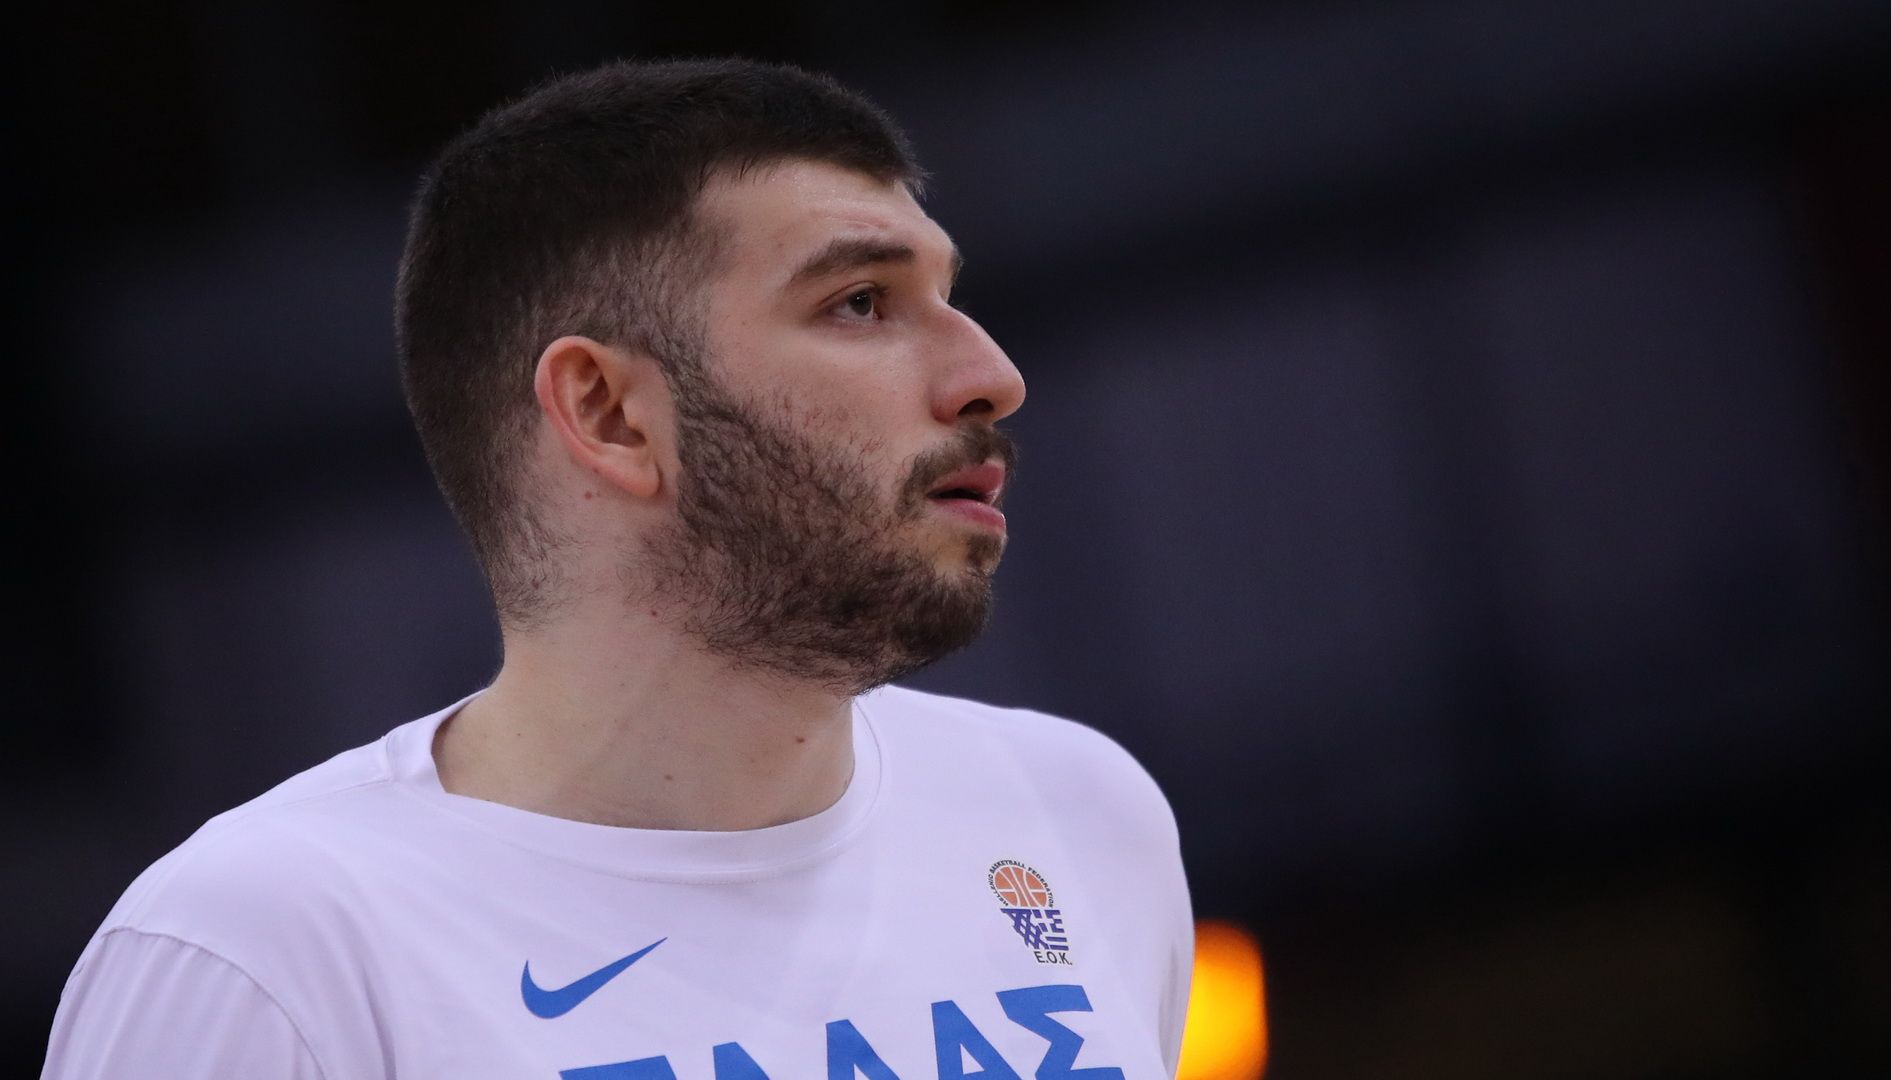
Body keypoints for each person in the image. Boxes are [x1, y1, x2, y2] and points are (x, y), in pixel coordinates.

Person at [44, 58, 1192, 1079]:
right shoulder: (266, 955)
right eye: (860, 303)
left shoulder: (1075, 812)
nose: (991, 375)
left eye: (948, 296)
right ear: (608, 412)